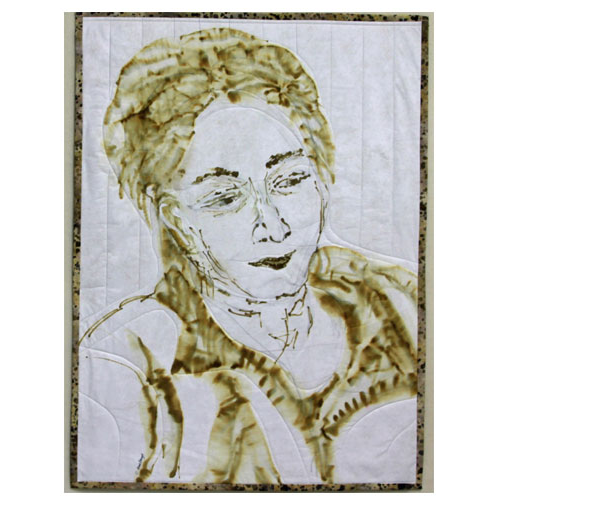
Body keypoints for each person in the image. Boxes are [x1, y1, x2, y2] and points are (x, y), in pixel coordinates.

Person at [78, 27, 418, 485]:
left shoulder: (399, 303)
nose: (274, 227)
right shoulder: (132, 363)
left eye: (290, 180)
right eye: (224, 198)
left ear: (320, 179)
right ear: (177, 220)